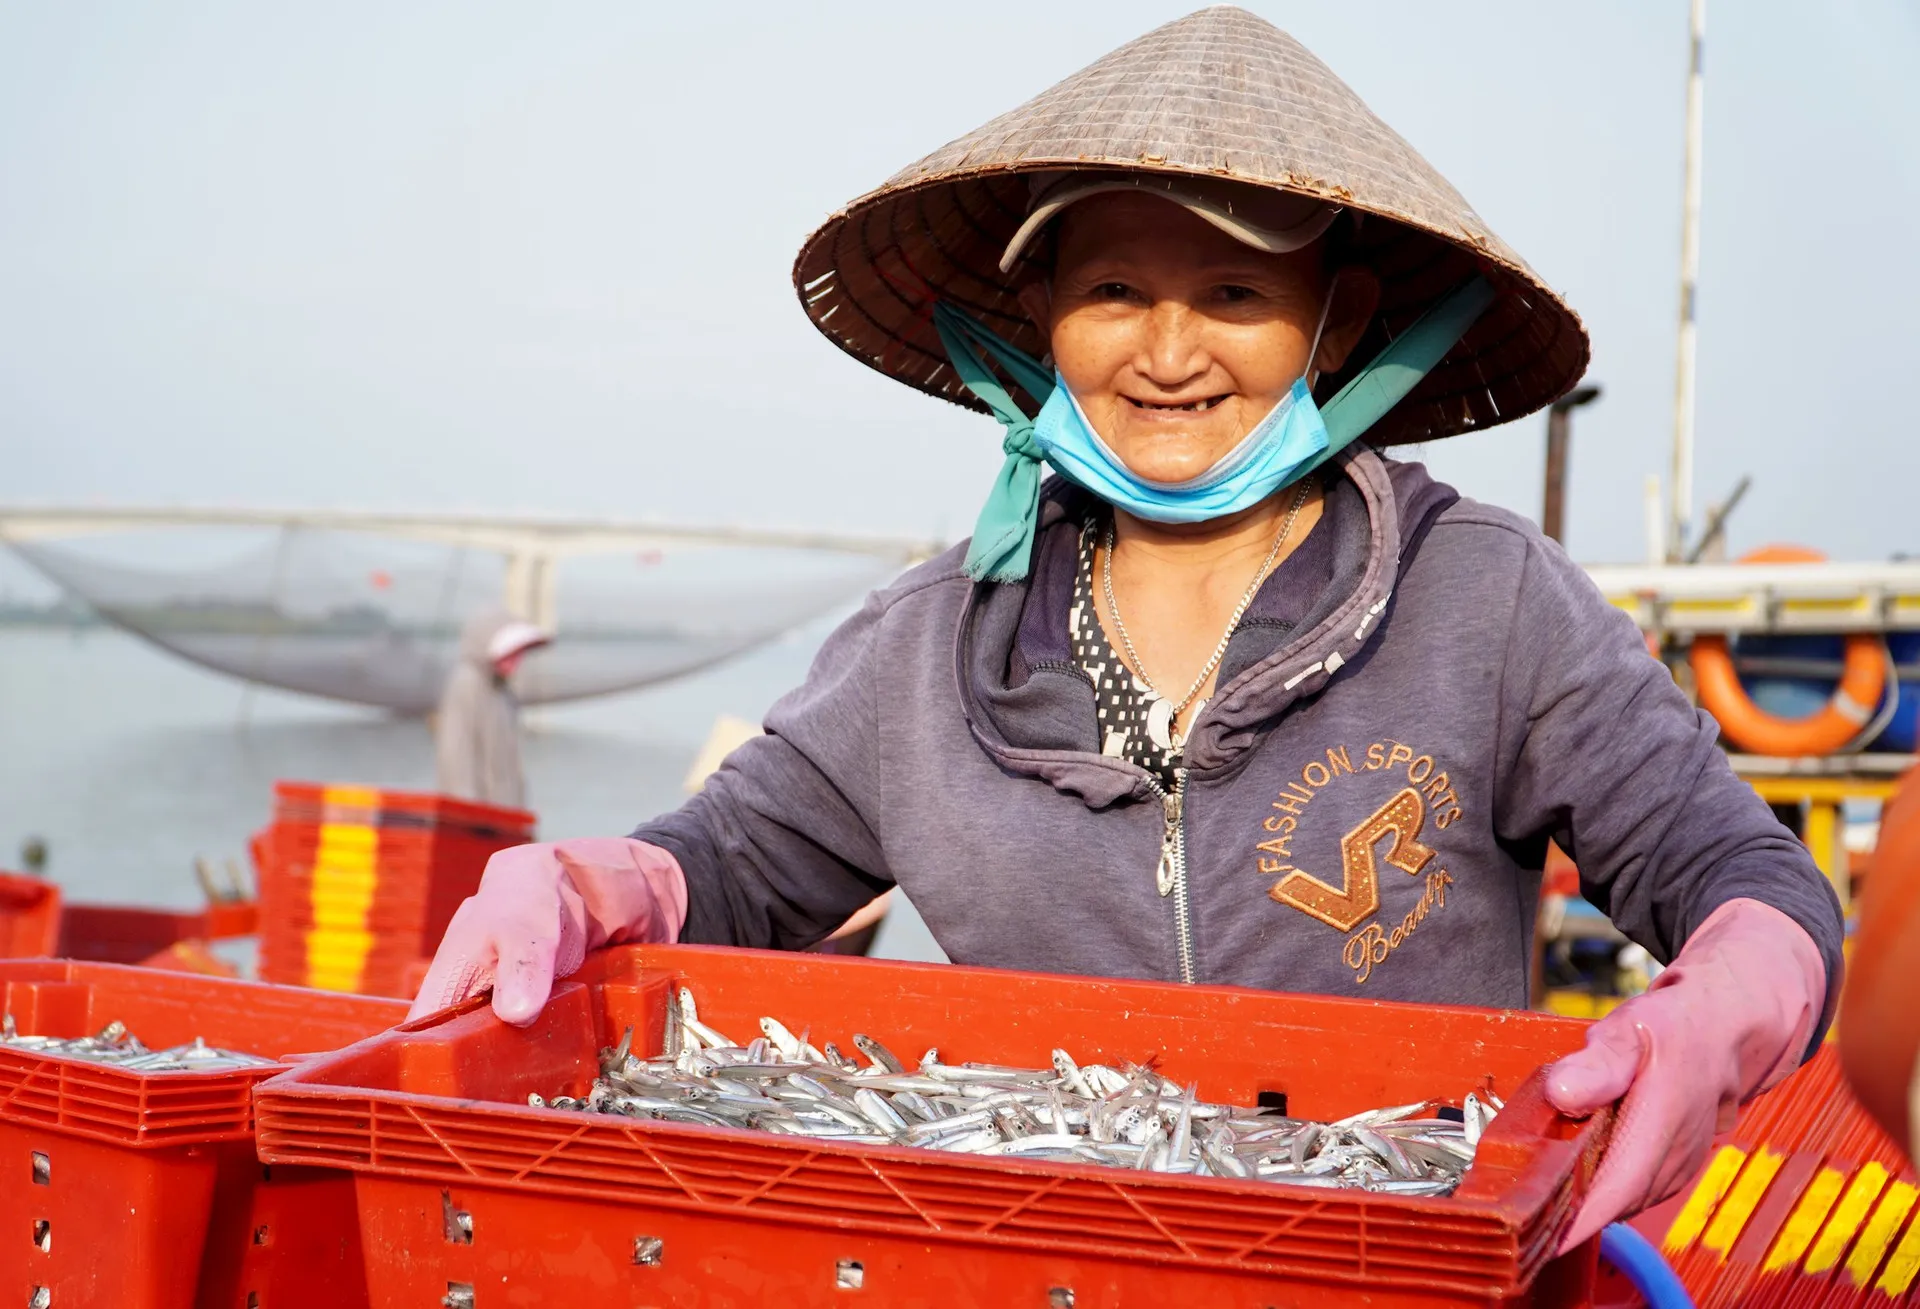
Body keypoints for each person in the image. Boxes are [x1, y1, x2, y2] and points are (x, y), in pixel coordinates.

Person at [413, 8, 1842, 1247]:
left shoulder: (1487, 601)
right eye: (1113, 293)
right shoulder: (928, 647)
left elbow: (1739, 871)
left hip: (1407, 1245)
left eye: (1234, 292)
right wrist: (602, 881)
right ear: (1038, 317)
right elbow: (725, 864)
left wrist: (1731, 992)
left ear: (1335, 322)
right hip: (1045, 1246)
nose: (1167, 353)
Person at [434, 610, 549, 809]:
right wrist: (468, 815)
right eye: (511, 652)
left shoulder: (502, 691)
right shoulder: (468, 683)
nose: (517, 660)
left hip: (505, 819)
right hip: (477, 822)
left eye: (519, 653)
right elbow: (458, 758)